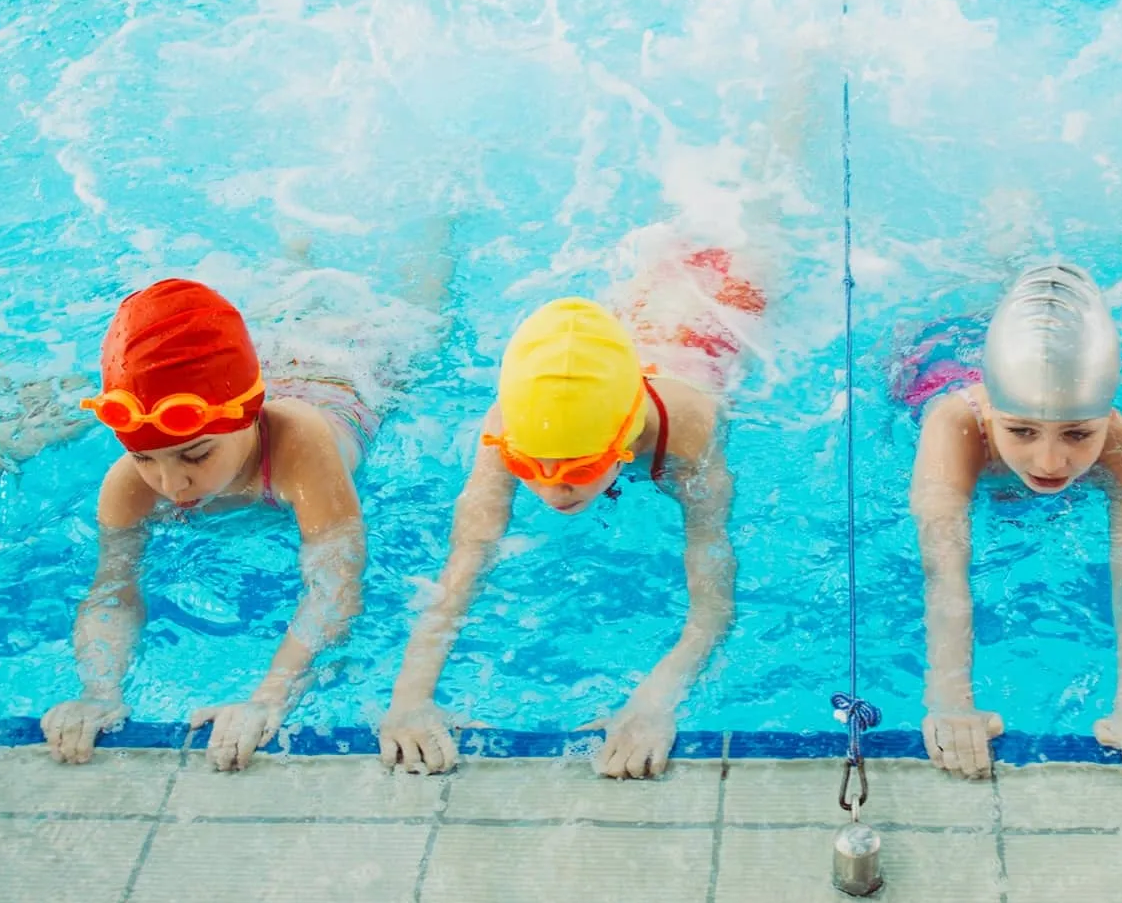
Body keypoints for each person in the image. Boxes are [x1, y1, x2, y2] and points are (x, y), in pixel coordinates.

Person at [380, 238, 759, 779]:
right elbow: (464, 562)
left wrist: (655, 700)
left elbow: (713, 597)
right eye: (529, 464)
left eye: (579, 468)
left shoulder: (689, 435)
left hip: (715, 322)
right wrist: (410, 697)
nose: (552, 489)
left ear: (626, 440)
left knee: (745, 238)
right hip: (632, 339)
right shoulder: (510, 422)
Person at [42, 278, 381, 771]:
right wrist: (99, 691)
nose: (172, 483)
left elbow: (336, 585)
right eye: (144, 459)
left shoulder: (299, 447)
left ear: (247, 418)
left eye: (196, 455)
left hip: (344, 376)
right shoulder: (127, 486)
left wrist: (270, 696)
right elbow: (112, 592)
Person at [903, 262, 1122, 779]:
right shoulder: (956, 427)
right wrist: (950, 699)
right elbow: (945, 574)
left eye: (1078, 434)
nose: (1050, 463)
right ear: (995, 417)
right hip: (934, 358)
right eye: (1022, 432)